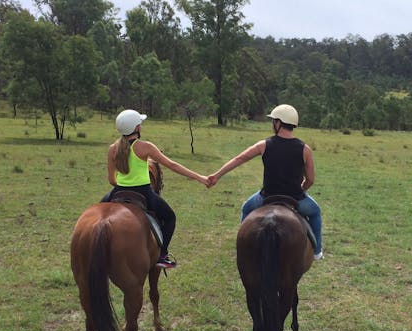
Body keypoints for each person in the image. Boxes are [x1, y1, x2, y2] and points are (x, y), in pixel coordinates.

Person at [208, 104, 323, 259]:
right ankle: (317, 252)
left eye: (273, 121)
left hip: (266, 196)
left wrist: (217, 175)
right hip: (295, 197)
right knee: (315, 213)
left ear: (278, 123)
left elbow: (239, 159)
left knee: (246, 208)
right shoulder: (305, 149)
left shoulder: (264, 145)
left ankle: (243, 248)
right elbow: (310, 179)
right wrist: (302, 189)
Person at [105, 109, 209, 268]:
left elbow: (112, 180)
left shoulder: (112, 149)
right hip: (143, 193)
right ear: (137, 128)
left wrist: (123, 183)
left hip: (118, 191)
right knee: (170, 217)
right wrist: (200, 177)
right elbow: (172, 165)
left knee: (96, 214)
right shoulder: (145, 147)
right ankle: (162, 255)